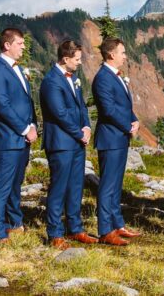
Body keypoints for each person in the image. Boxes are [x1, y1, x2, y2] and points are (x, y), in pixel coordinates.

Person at [41, 40, 97, 249]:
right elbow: (60, 114)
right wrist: (78, 133)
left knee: (76, 186)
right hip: (60, 143)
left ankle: (75, 228)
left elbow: (81, 106)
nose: (79, 63)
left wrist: (87, 127)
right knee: (59, 187)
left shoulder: (74, 79)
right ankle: (54, 232)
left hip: (76, 142)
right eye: (77, 59)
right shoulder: (51, 81)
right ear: (65, 59)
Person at [0, 28, 38, 242]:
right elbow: (2, 105)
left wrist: (33, 124)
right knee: (2, 185)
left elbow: (26, 101)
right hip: (8, 137)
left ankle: (15, 223)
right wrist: (25, 129)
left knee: (16, 184)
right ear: (7, 45)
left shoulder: (18, 69)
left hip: (22, 139)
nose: (23, 47)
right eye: (20, 43)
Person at [92, 37, 140, 246]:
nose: (125, 56)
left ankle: (117, 224)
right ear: (111, 55)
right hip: (110, 138)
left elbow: (124, 105)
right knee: (107, 186)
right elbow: (108, 110)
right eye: (122, 52)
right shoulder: (103, 78)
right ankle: (105, 230)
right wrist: (128, 125)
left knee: (116, 184)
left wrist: (135, 120)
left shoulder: (117, 77)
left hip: (119, 138)